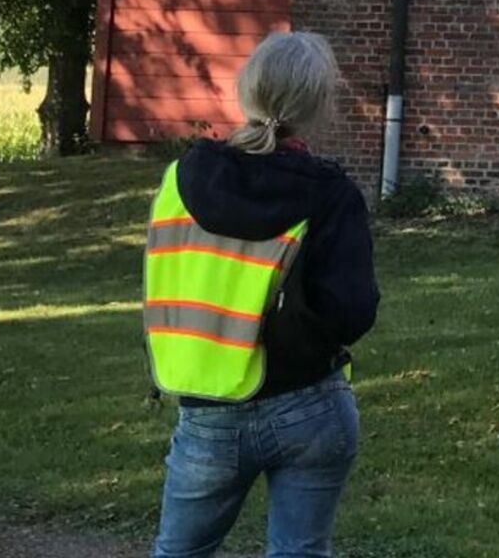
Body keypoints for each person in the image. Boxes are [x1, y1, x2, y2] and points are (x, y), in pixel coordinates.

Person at [145, 30, 380, 558]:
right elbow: (352, 309)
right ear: (319, 105)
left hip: (207, 404)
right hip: (309, 405)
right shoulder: (331, 193)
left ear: (246, 90)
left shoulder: (180, 179)